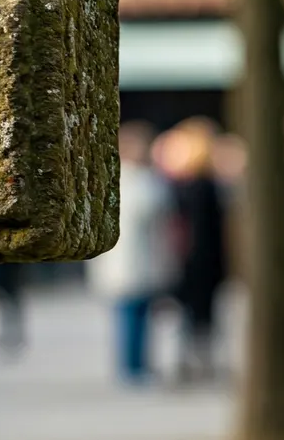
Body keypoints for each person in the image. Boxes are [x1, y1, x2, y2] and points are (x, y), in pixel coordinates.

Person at [88, 121, 178, 385]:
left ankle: (139, 365)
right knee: (129, 319)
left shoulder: (141, 178)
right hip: (127, 263)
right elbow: (149, 209)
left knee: (143, 318)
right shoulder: (126, 179)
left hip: (143, 261)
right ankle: (130, 370)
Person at [165, 121, 228, 383]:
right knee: (199, 317)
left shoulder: (194, 186)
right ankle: (196, 362)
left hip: (194, 261)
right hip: (199, 261)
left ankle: (193, 362)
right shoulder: (201, 185)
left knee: (194, 317)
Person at [0, 263, 26, 356]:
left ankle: (13, 338)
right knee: (9, 307)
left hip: (8, 278)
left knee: (10, 306)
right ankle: (12, 338)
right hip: (9, 279)